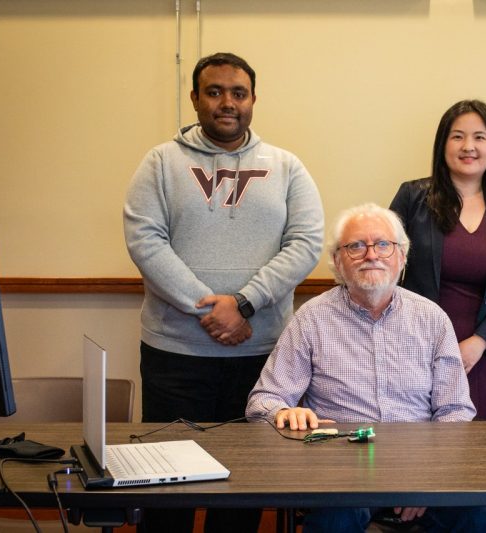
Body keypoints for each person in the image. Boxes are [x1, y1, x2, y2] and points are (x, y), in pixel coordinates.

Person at [123, 52, 324, 533]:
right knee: (166, 487)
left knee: (243, 490)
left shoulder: (287, 166)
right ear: (195, 98)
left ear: (254, 100)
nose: (227, 102)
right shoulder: (160, 162)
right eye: (214, 92)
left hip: (261, 358)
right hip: (175, 355)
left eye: (238, 93)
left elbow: (307, 242)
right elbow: (144, 239)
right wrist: (210, 309)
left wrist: (245, 303)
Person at [246, 203, 486, 533]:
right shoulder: (311, 318)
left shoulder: (432, 318)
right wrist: (282, 413)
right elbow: (263, 400)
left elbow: (455, 410)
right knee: (334, 515)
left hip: (419, 466)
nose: (371, 255)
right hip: (340, 473)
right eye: (355, 246)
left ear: (402, 257)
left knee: (476, 512)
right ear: (338, 261)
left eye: (382, 245)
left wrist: (430, 477)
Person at [390, 99, 486, 421]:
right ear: (443, 145)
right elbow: (383, 267)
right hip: (419, 353)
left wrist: (480, 342)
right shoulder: (412, 198)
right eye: (457, 136)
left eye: (479, 137)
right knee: (424, 460)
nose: (468, 146)